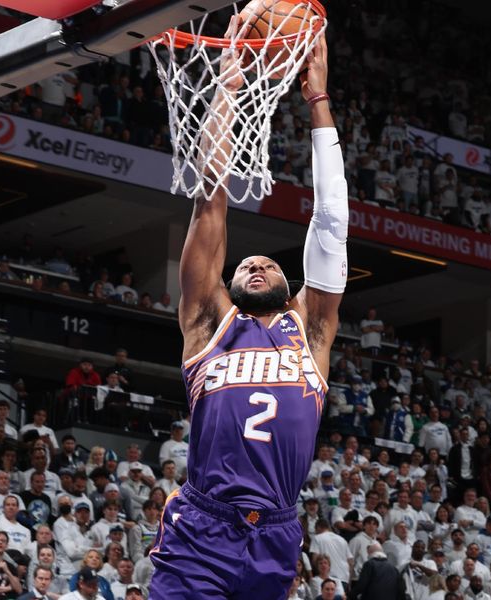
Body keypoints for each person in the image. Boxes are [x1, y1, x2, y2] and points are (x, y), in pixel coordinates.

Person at [149, 32, 347, 600]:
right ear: (227, 284)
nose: (256, 262)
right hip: (202, 531)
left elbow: (331, 222)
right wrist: (227, 93)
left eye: (269, 264)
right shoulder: (209, 322)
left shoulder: (310, 331)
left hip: (277, 536)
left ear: (292, 289)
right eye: (245, 264)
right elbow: (210, 199)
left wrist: (317, 102)